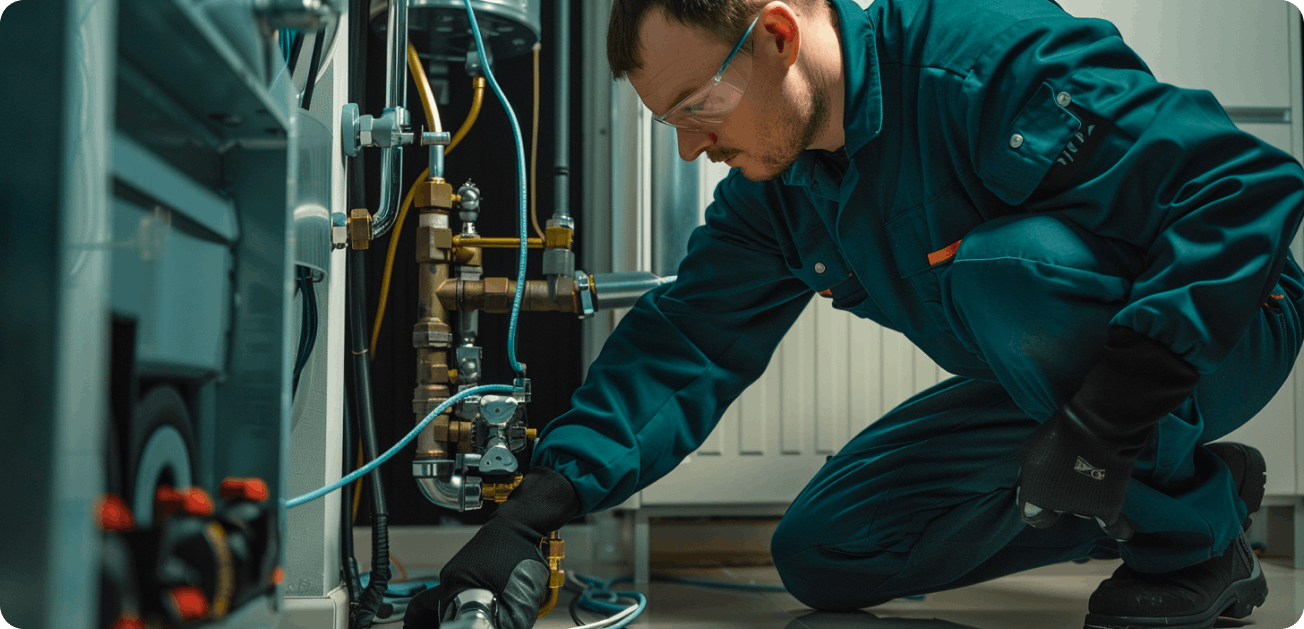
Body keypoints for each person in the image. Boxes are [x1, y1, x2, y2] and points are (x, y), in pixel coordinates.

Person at [405, 0, 1304, 627]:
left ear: (777, 37)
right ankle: (1193, 484)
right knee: (828, 551)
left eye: (697, 108)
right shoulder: (778, 191)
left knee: (1002, 270)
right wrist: (532, 513)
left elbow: (1244, 185)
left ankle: (1192, 544)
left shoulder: (985, 61)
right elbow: (689, 342)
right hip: (1056, 382)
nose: (690, 148)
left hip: (1219, 327)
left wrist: (1109, 418)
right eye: (670, 123)